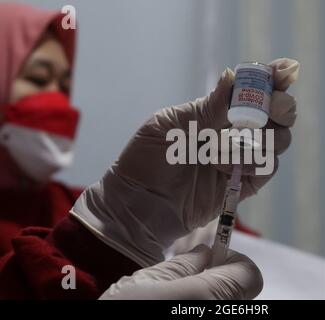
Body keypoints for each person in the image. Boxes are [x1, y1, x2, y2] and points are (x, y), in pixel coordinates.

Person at [0, 2, 298, 300]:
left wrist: (131, 231)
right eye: (38, 80)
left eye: (64, 86)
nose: (57, 100)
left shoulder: (80, 204)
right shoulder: (93, 212)